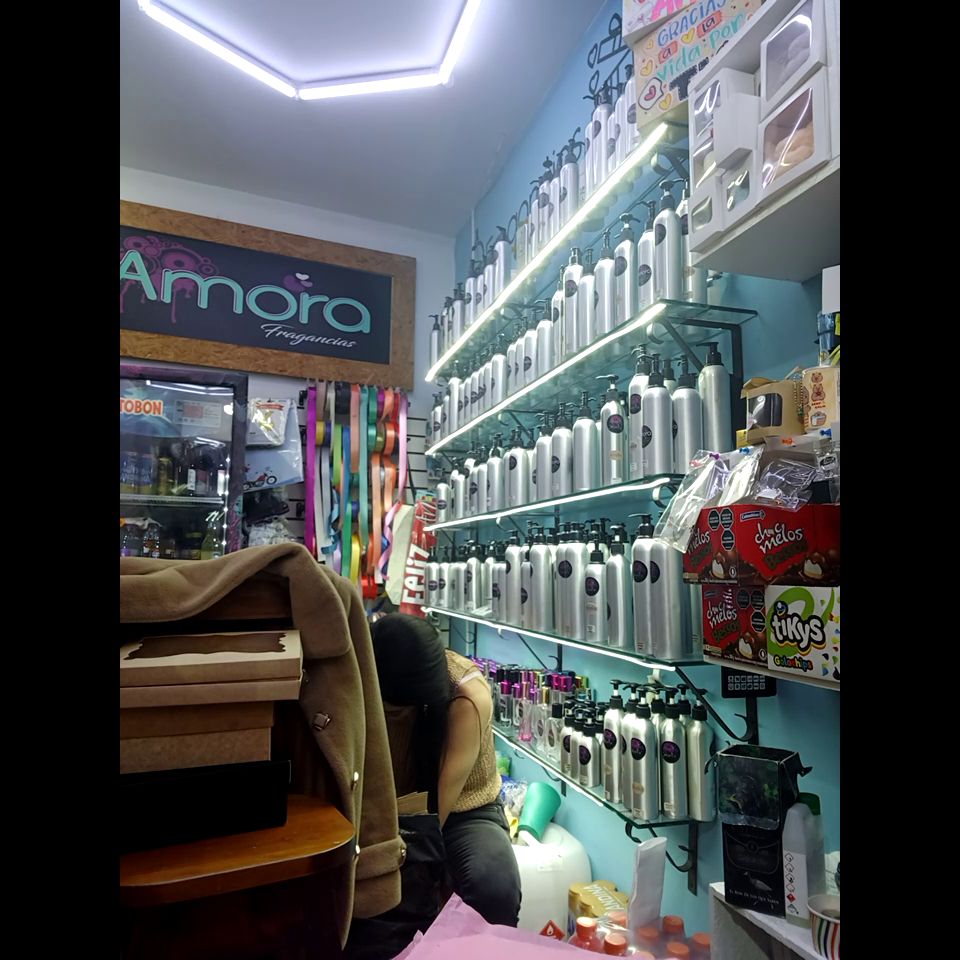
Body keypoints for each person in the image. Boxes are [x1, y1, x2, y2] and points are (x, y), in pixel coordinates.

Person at [370, 613, 521, 927]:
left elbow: (436, 812)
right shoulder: (366, 678)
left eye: (397, 712)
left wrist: (409, 857)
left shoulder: (466, 697)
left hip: (465, 809)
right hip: (387, 803)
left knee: (494, 889)